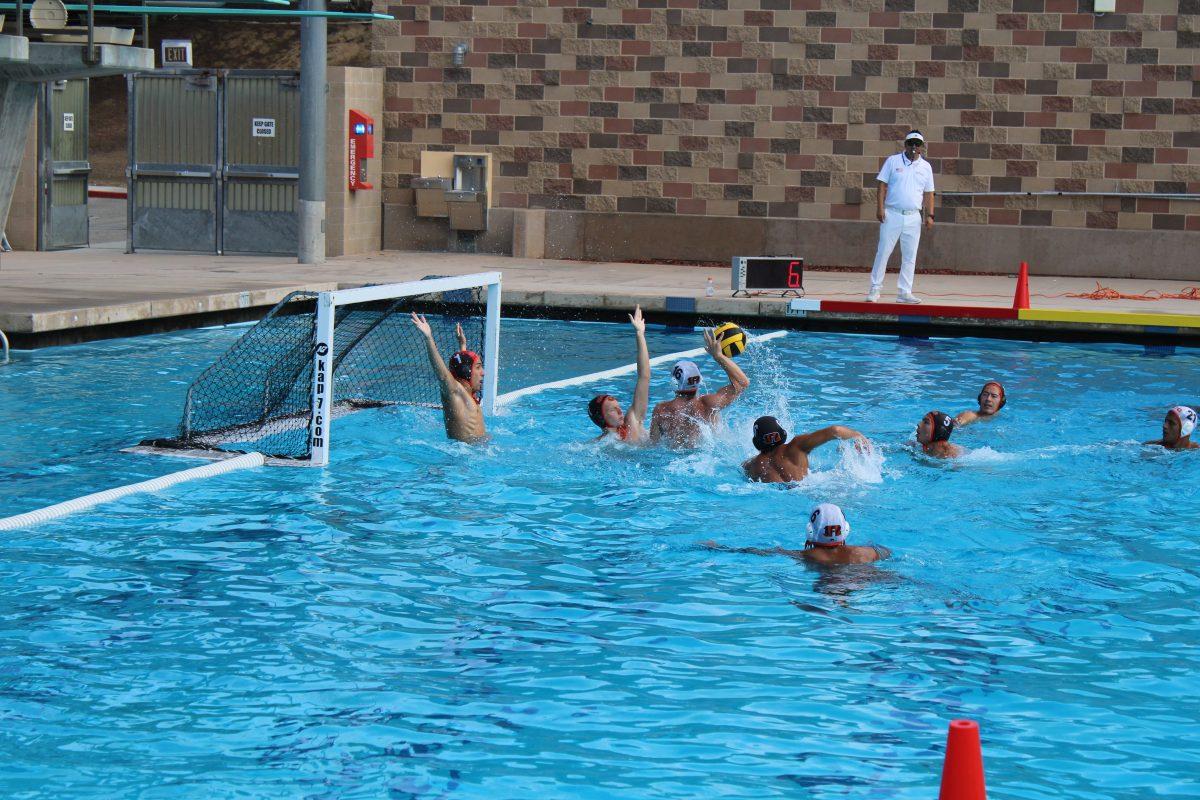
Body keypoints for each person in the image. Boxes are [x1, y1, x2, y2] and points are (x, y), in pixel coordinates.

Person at [866, 130, 935, 305]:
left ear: (921, 147)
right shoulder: (893, 161)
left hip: (913, 216)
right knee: (883, 252)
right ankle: (875, 289)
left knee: (910, 256)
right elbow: (882, 185)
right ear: (905, 145)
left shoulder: (926, 167)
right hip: (893, 214)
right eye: (911, 143)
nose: (914, 147)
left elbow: (929, 193)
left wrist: (930, 215)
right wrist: (880, 208)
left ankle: (904, 292)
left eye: (917, 144)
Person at [650, 327, 751, 447]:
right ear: (699, 380)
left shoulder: (661, 410)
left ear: (674, 382)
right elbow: (743, 383)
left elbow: (653, 444)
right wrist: (718, 356)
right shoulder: (709, 404)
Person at [701, 504, 889, 565]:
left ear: (811, 531)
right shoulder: (868, 553)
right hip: (863, 580)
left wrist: (719, 548)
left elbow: (757, 552)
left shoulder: (804, 556)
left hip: (825, 587)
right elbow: (886, 551)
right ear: (845, 530)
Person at [411, 314, 487, 443]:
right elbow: (443, 375)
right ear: (466, 371)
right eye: (478, 367)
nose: (483, 373)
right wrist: (429, 338)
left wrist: (462, 345)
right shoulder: (454, 393)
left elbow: (463, 367)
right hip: (464, 457)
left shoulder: (467, 394)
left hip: (479, 452)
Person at [587, 306, 651, 443]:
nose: (620, 411)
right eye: (613, 410)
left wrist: (640, 334)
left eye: (618, 407)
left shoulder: (632, 423)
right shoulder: (597, 445)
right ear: (601, 418)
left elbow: (644, 377)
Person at [742, 416, 870, 483]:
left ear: (757, 441)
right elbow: (835, 431)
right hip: (806, 490)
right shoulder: (795, 447)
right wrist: (858, 436)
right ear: (782, 433)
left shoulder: (749, 466)